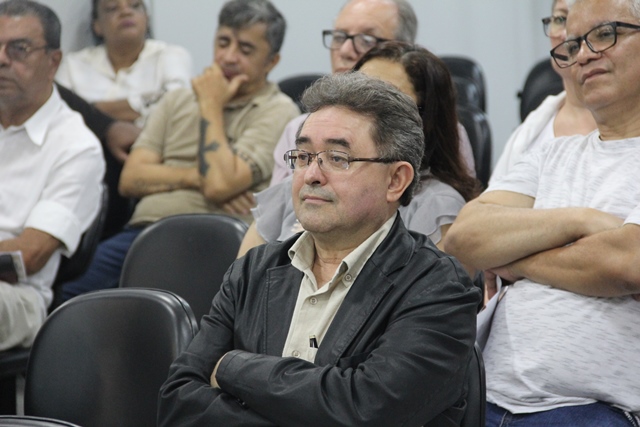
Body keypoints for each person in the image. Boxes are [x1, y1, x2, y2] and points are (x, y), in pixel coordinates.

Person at [158, 71, 481, 427]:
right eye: (302, 156)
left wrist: (232, 366)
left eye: (337, 158)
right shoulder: (253, 271)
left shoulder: (436, 285)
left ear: (396, 180)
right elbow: (178, 400)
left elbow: (368, 410)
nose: (311, 174)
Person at [443, 0, 640, 423]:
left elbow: (626, 263)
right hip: (485, 397)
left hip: (598, 409)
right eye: (572, 45)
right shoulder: (551, 154)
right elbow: (463, 239)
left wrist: (513, 259)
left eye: (604, 35)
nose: (584, 54)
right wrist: (580, 220)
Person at [60, 0, 299, 302]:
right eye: (223, 42)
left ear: (272, 61)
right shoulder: (176, 101)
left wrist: (211, 105)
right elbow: (131, 178)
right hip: (143, 232)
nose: (228, 57)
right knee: (66, 296)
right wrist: (198, 177)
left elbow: (219, 185)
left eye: (246, 49)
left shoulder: (277, 110)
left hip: (216, 238)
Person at [222, 0, 476, 218]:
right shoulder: (298, 128)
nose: (344, 51)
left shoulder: (444, 140)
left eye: (366, 39)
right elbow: (284, 214)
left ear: (400, 46)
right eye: (339, 37)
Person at [238, 41, 482, 257]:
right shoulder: (300, 183)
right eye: (358, 90)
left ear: (424, 119)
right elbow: (241, 292)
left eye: (387, 99)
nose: (363, 108)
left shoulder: (437, 204)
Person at [0, 0, 104, 350]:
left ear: (53, 61)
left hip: (17, 297)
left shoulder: (76, 146)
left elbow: (28, 257)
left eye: (19, 49)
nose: (2, 59)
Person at [490, 0, 596, 183]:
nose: (566, 34)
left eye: (581, 18)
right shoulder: (530, 131)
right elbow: (489, 206)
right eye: (561, 19)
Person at [55, 0, 193, 127]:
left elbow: (177, 106)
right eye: (112, 8)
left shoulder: (170, 55)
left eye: (135, 6)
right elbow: (58, 113)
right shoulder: (73, 65)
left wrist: (91, 110)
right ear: (97, 26)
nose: (126, 12)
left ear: (147, 18)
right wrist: (146, 105)